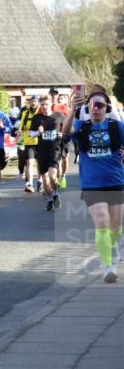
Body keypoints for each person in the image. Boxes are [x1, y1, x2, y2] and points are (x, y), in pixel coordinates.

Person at [64, 89, 124, 283]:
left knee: (115, 228)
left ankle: (112, 247)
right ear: (88, 108)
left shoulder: (117, 126)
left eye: (99, 105)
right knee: (102, 221)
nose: (95, 108)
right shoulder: (82, 126)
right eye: (92, 105)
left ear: (106, 109)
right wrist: (73, 108)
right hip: (91, 184)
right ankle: (108, 266)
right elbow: (65, 132)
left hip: (116, 182)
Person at [29, 95, 66, 211]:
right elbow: (31, 134)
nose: (45, 107)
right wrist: (38, 133)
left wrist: (63, 134)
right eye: (43, 104)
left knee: (52, 176)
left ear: (51, 104)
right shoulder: (37, 118)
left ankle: (55, 192)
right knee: (44, 177)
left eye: (47, 104)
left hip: (55, 149)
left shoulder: (59, 116)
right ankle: (50, 199)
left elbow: (69, 128)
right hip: (42, 151)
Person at [16, 95, 40, 193]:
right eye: (31, 101)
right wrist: (24, 128)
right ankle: (30, 183)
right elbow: (20, 127)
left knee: (40, 163)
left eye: (35, 101)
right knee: (29, 162)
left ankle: (40, 181)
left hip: (40, 142)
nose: (33, 103)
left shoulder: (41, 113)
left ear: (38, 102)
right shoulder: (25, 113)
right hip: (29, 142)